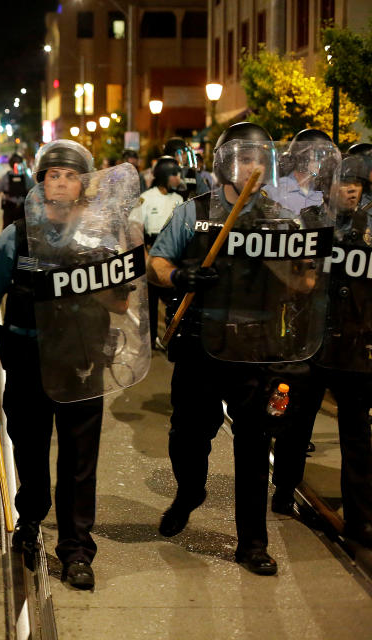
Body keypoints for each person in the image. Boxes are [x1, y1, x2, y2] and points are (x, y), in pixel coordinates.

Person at [147, 121, 329, 576]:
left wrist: (287, 264)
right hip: (200, 346)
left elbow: (304, 283)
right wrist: (180, 277)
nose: (253, 166)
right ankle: (190, 491)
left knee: (254, 446)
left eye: (259, 159)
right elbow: (156, 263)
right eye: (244, 158)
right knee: (188, 437)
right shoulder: (194, 212)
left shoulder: (281, 217)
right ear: (227, 163)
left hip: (258, 349)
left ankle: (252, 544)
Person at [0, 139, 143, 590]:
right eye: (53, 175)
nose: (61, 183)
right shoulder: (18, 234)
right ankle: (30, 519)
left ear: (83, 186)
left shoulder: (102, 236)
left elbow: (121, 306)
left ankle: (77, 549)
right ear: (41, 183)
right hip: (27, 357)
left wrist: (104, 275)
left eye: (70, 176)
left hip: (81, 358)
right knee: (28, 447)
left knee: (80, 459)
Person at [270, 153, 372, 548]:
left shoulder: (369, 228)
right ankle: (284, 487)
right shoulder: (310, 221)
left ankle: (362, 517)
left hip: (355, 345)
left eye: (357, 184)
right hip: (312, 341)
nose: (350, 189)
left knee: (357, 433)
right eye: (344, 182)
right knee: (296, 420)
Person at [129, 156, 183, 346]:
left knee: (174, 302)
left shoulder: (180, 199)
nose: (178, 178)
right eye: (174, 174)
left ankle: (173, 338)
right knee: (150, 304)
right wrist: (143, 256)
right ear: (163, 176)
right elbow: (135, 229)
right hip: (151, 254)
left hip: (174, 257)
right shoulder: (146, 199)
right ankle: (149, 340)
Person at [0, 153, 35, 230]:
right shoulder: (25, 176)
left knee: (7, 230)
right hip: (22, 208)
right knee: (23, 230)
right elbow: (33, 191)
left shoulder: (6, 177)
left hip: (10, 208)